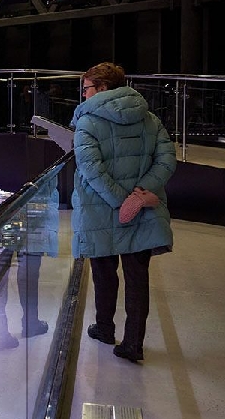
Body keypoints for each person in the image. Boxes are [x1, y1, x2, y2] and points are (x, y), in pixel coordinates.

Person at [72, 62, 176, 363]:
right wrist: (139, 195)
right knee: (137, 278)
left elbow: (92, 170)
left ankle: (105, 328)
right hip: (143, 210)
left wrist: (122, 201)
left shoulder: (87, 123)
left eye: (86, 89)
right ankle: (133, 343)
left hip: (101, 210)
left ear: (102, 88)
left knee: (104, 274)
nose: (84, 95)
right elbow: (167, 161)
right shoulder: (150, 119)